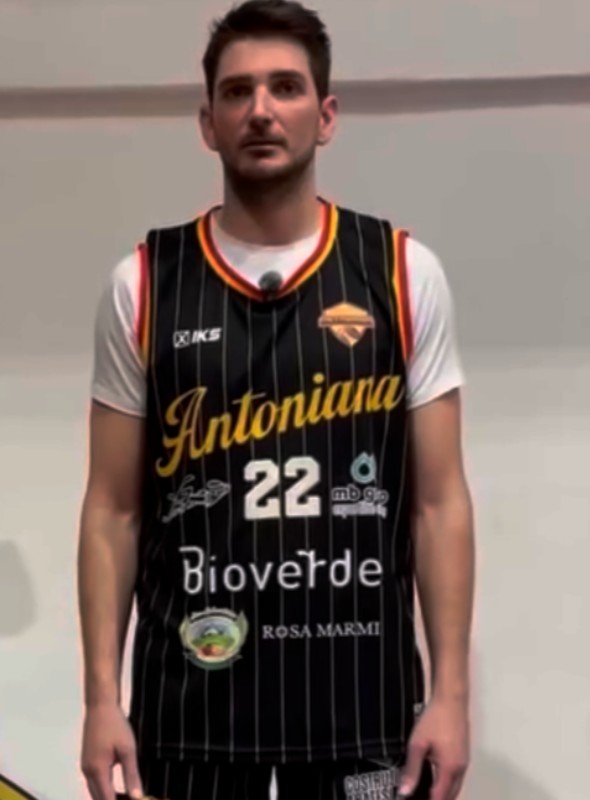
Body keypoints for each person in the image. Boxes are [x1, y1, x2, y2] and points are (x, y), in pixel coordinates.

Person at [77, 1, 475, 799]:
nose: (261, 110)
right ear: (208, 122)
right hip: (188, 712)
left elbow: (439, 505)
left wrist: (453, 696)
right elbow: (111, 512)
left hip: (363, 709)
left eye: (286, 87)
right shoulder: (144, 283)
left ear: (325, 116)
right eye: (238, 91)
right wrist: (99, 701)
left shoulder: (402, 272)